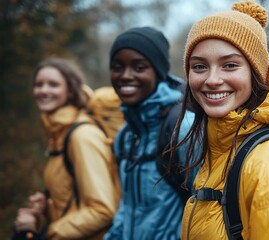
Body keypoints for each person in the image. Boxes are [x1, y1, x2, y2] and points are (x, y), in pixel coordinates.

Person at [169, 0, 269, 239]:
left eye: (229, 65)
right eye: (199, 66)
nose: (212, 79)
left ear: (255, 72)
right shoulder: (222, 151)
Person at [13, 58, 121, 239]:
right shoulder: (58, 135)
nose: (44, 90)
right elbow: (75, 196)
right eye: (39, 85)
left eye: (53, 85)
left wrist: (50, 233)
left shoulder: (82, 136)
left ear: (70, 90)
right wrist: (48, 204)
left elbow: (103, 209)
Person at [103, 26, 196, 240]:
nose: (125, 76)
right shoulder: (125, 136)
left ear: (158, 72)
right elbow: (126, 207)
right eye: (117, 67)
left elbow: (207, 208)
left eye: (139, 67)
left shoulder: (183, 128)